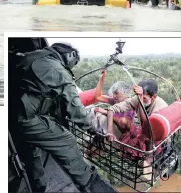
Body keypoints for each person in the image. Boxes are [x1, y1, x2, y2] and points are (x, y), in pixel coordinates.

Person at [12, 42, 116, 193]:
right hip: (26, 117)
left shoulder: (31, 56)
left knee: (31, 154)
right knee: (67, 141)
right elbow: (77, 112)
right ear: (70, 56)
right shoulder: (58, 70)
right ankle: (93, 185)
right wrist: (93, 129)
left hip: (13, 111)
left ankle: (38, 187)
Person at [106, 79, 168, 159]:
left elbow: (146, 125)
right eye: (138, 97)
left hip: (157, 138)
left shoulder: (161, 107)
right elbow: (112, 109)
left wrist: (141, 100)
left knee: (151, 160)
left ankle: (148, 160)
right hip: (144, 133)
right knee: (129, 145)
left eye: (144, 98)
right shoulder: (138, 98)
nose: (140, 100)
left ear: (154, 97)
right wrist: (110, 132)